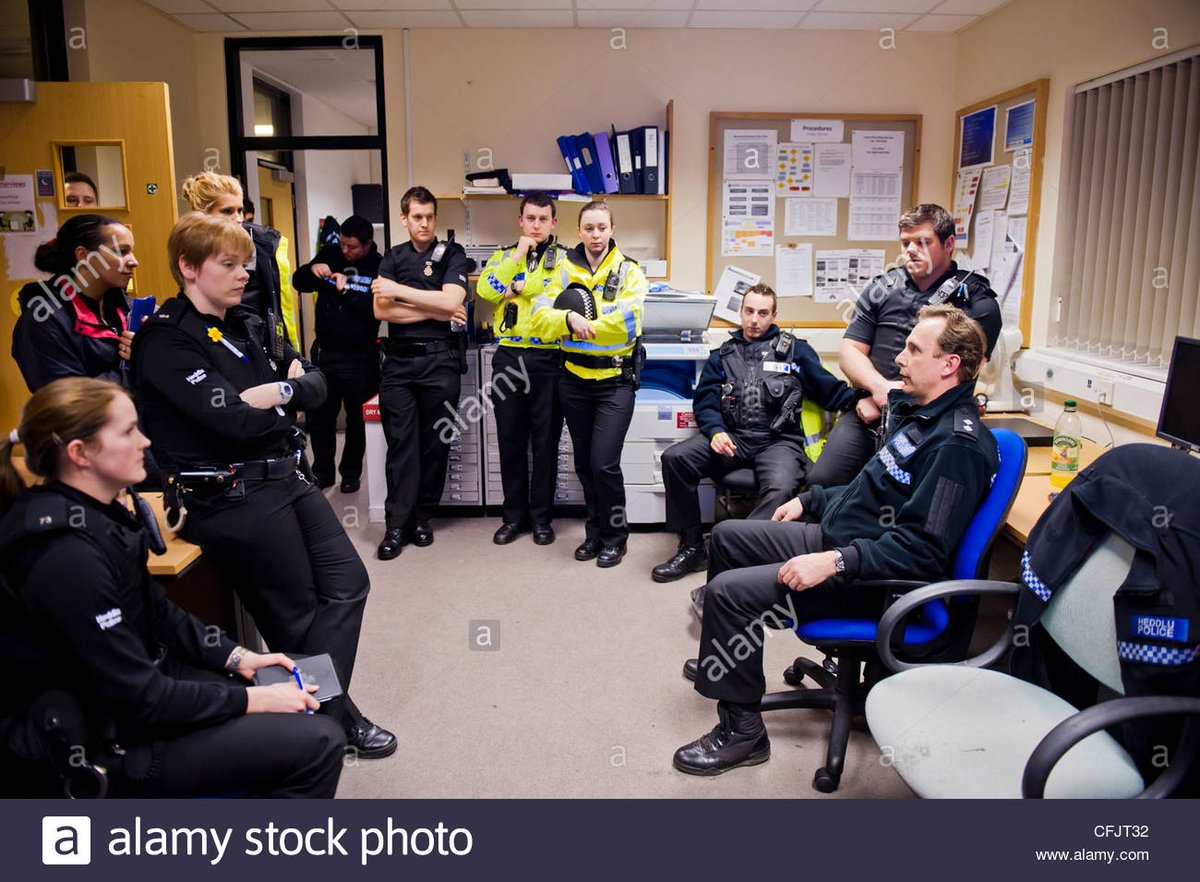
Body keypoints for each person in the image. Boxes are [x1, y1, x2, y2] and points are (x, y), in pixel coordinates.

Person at [673, 305, 999, 776]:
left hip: (874, 582)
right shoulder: (921, 417)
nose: (900, 360)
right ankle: (727, 655)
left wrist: (835, 563)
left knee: (729, 595)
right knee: (727, 537)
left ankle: (744, 734)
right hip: (842, 540)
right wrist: (813, 501)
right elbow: (872, 490)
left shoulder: (955, 446)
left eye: (913, 349)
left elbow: (922, 551)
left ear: (949, 365)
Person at [131, 211, 396, 759]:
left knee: (349, 583)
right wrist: (287, 396)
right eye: (228, 264)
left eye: (245, 264)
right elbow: (233, 420)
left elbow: (315, 384)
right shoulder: (166, 340)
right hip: (232, 496)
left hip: (287, 477)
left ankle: (309, 708)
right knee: (296, 616)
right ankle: (336, 721)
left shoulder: (245, 324)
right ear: (188, 267)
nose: (243, 275)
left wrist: (274, 395)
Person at [0, 377, 345, 797]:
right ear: (79, 453)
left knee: (292, 694)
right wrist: (255, 702)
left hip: (136, 689)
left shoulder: (97, 513)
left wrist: (240, 657)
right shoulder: (64, 556)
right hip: (103, 742)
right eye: (128, 431)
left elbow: (158, 611)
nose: (145, 441)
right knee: (320, 742)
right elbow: (138, 697)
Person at [652, 284, 857, 582]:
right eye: (749, 311)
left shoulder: (796, 351)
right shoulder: (722, 355)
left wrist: (864, 400)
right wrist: (715, 431)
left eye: (763, 313)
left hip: (779, 443)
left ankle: (742, 558)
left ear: (774, 315)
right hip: (732, 438)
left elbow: (830, 390)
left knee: (781, 485)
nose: (755, 319)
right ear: (741, 312)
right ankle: (692, 547)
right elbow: (705, 402)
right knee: (675, 459)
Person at [806, 203, 1002, 491]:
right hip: (871, 410)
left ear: (949, 244)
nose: (911, 249)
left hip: (932, 422)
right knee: (821, 482)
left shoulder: (977, 303)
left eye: (922, 241)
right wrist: (879, 390)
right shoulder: (883, 288)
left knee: (899, 496)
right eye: (906, 242)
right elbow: (850, 350)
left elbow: (966, 372)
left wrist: (895, 400)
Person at [531, 201, 647, 568]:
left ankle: (616, 537)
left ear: (612, 229)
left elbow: (631, 321)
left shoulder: (630, 271)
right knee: (584, 463)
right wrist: (566, 317)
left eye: (602, 228)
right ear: (578, 231)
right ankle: (594, 533)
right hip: (574, 381)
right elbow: (539, 318)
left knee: (604, 464)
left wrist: (583, 320)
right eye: (589, 228)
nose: (596, 235)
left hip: (615, 382)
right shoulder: (562, 270)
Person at [370, 186, 470, 561]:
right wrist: (435, 312)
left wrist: (403, 294)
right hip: (398, 365)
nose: (424, 223)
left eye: (429, 216)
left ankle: (422, 518)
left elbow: (451, 300)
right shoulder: (391, 259)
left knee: (435, 444)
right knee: (401, 447)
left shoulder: (452, 255)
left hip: (440, 363)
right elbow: (382, 312)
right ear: (404, 218)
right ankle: (396, 526)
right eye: (417, 217)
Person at [476, 191, 570, 546]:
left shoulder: (565, 259)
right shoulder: (504, 256)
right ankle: (513, 517)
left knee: (546, 442)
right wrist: (516, 257)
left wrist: (520, 286)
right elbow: (487, 289)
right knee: (510, 439)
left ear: (553, 223)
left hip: (549, 359)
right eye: (530, 218)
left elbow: (561, 293)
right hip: (509, 357)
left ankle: (542, 519)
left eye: (543, 219)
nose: (536, 225)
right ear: (520, 220)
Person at [292, 214, 383, 493]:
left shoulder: (379, 266)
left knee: (357, 420)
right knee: (320, 416)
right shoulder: (331, 254)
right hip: (326, 354)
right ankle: (322, 472)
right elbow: (299, 282)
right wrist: (312, 269)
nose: (346, 251)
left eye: (352, 246)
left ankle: (351, 473)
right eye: (343, 244)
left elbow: (375, 310)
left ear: (368, 244)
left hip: (360, 354)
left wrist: (346, 292)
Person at [11, 214, 137, 392]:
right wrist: (139, 367)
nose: (134, 262)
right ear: (83, 255)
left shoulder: (129, 309)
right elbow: (72, 400)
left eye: (132, 251)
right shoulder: (41, 322)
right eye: (121, 252)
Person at [180, 171, 298, 347]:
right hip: (212, 336)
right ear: (203, 214)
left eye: (240, 210)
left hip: (259, 338)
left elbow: (278, 307)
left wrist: (282, 349)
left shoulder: (264, 244)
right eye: (227, 211)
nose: (238, 218)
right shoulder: (191, 248)